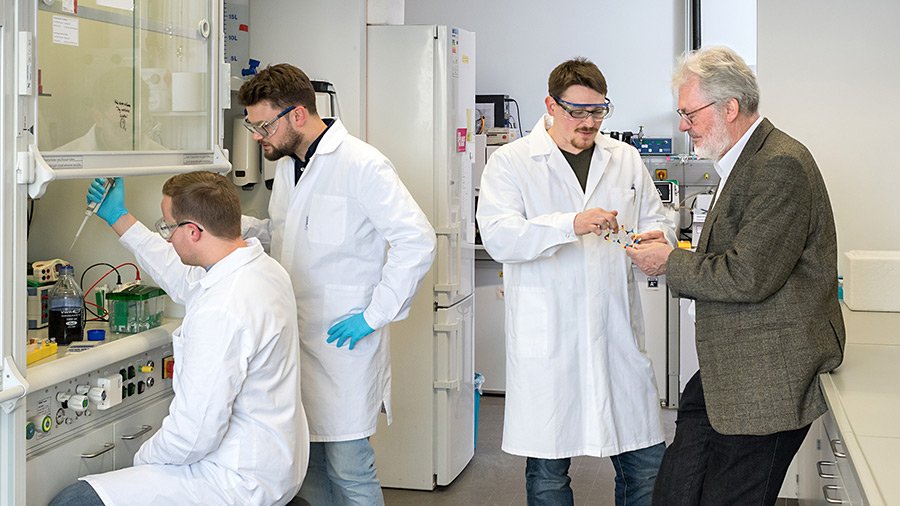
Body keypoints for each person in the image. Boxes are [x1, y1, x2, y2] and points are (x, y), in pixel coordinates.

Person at [626, 46, 846, 505]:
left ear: (730, 107)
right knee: (675, 491)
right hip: (731, 367)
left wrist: (670, 261)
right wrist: (677, 253)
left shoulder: (779, 164)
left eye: (689, 113)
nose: (684, 125)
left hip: (767, 380)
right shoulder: (743, 161)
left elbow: (747, 275)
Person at [476, 57, 675, 506]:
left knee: (646, 468)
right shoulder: (512, 162)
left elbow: (656, 219)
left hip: (616, 338)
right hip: (550, 344)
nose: (589, 122)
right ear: (550, 104)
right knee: (548, 474)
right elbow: (500, 236)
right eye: (578, 111)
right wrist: (571, 223)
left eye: (598, 111)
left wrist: (655, 236)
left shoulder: (623, 159)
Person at [238, 63, 436, 505]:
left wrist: (374, 315)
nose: (256, 136)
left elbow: (417, 240)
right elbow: (286, 234)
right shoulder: (289, 169)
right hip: (297, 342)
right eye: (252, 126)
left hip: (345, 345)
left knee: (350, 470)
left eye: (263, 124)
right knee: (305, 471)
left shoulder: (362, 164)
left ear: (298, 115)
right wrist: (233, 228)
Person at [50, 172, 308, 506]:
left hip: (234, 478)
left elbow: (194, 433)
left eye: (168, 228)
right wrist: (119, 217)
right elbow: (184, 277)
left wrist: (141, 463)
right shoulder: (261, 269)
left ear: (193, 231)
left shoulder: (223, 307)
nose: (168, 240)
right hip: (275, 464)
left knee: (74, 501)